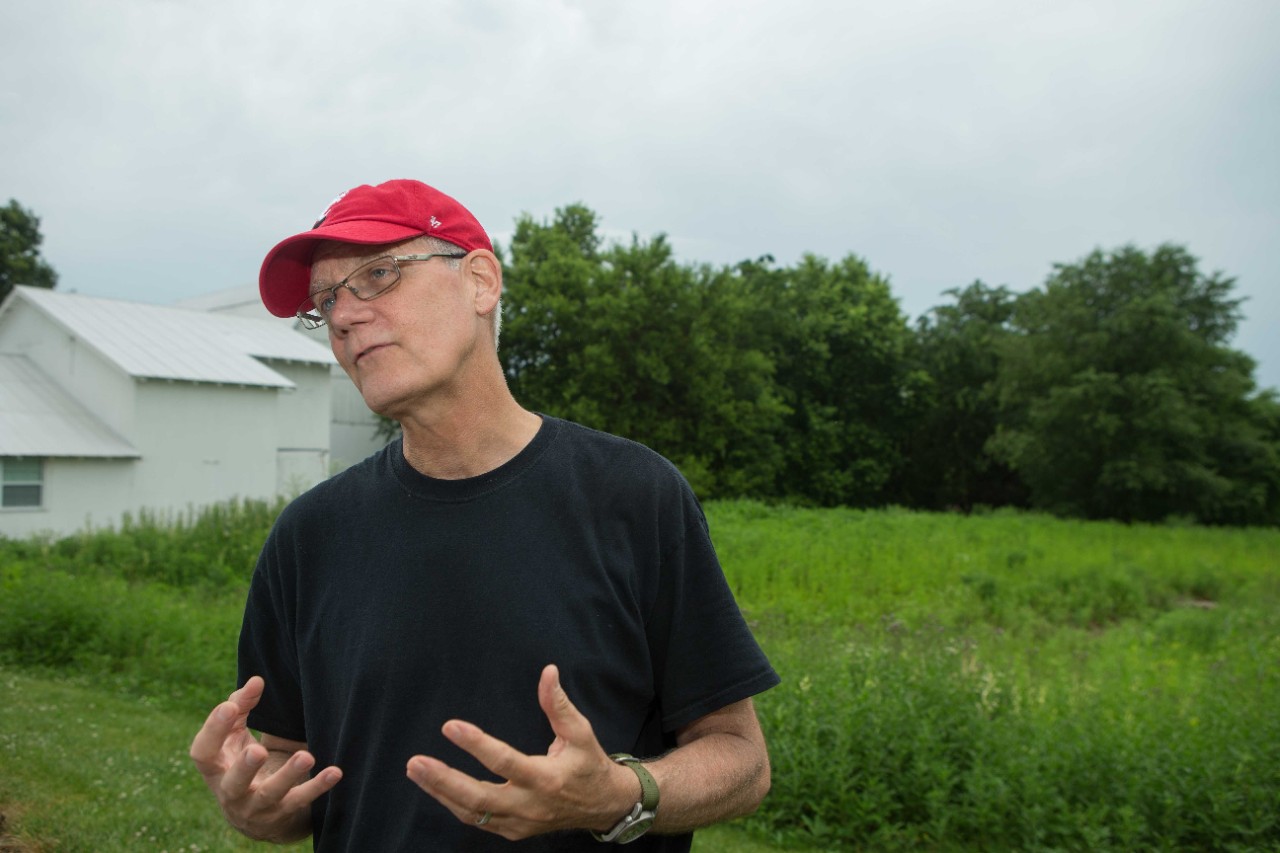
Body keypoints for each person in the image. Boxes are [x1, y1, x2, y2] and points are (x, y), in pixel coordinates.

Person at [189, 179, 780, 851]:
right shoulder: (309, 535)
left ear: (480, 282)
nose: (344, 316)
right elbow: (286, 763)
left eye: (377, 275)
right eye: (325, 302)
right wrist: (259, 805)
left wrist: (619, 794)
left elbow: (741, 759)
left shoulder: (635, 496)